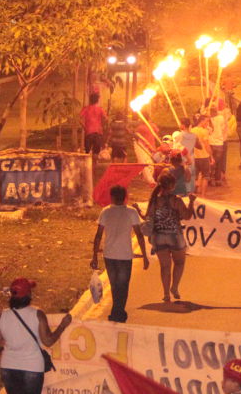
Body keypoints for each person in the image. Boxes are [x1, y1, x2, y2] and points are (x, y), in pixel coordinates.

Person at [0, 277, 73, 394]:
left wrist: (5, 348)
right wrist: (62, 326)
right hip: (32, 368)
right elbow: (48, 341)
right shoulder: (37, 314)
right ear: (29, 295)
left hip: (8, 367)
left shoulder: (3, 316)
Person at [90, 185, 149, 323]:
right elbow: (139, 235)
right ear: (125, 197)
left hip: (109, 254)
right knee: (123, 285)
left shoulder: (105, 212)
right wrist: (145, 256)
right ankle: (118, 312)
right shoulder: (132, 212)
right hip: (125, 255)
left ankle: (117, 312)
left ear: (112, 197)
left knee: (115, 285)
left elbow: (98, 236)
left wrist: (94, 256)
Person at [137, 173, 195, 303]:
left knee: (165, 267)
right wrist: (191, 202)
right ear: (172, 185)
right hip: (175, 236)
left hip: (159, 237)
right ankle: (174, 287)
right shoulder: (176, 200)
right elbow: (187, 216)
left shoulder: (154, 200)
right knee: (179, 262)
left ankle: (166, 293)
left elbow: (148, 218)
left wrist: (139, 211)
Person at [171, 118, 199, 193]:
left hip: (182, 161)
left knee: (182, 180)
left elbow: (176, 149)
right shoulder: (194, 136)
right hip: (191, 159)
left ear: (183, 125)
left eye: (180, 124)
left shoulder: (179, 136)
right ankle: (190, 194)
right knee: (190, 179)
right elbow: (199, 146)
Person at [79, 94, 107, 159]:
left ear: (90, 100)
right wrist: (101, 125)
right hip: (98, 132)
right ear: (97, 100)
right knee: (96, 152)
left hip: (88, 132)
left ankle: (88, 167)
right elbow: (106, 118)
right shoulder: (100, 109)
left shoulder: (86, 108)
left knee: (87, 152)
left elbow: (79, 119)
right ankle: (94, 167)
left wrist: (84, 127)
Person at [192, 115, 214, 195]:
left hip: (195, 157)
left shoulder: (192, 130)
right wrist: (211, 157)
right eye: (207, 121)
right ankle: (203, 195)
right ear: (202, 121)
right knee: (206, 176)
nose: (207, 123)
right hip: (204, 157)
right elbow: (207, 145)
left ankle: (195, 193)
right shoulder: (204, 131)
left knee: (196, 177)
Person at [209, 106, 230, 186]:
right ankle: (217, 179)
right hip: (217, 143)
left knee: (213, 162)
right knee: (217, 162)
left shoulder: (210, 119)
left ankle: (212, 178)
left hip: (214, 143)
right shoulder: (220, 118)